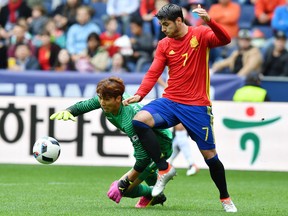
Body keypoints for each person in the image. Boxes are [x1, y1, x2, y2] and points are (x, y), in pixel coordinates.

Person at [123, 3, 237, 213]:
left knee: (210, 156)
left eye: (166, 24)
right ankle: (164, 168)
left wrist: (210, 21)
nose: (163, 29)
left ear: (179, 20)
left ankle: (225, 197)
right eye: (160, 25)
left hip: (196, 106)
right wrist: (141, 93)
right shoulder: (164, 44)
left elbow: (225, 39)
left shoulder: (201, 34)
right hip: (171, 101)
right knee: (139, 120)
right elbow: (154, 72)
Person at [50, 77, 173, 208]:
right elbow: (85, 105)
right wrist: (69, 111)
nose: (102, 103)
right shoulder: (106, 100)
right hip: (146, 143)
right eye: (100, 98)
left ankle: (154, 194)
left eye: (106, 99)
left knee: (125, 188)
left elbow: (143, 159)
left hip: (160, 147)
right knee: (144, 170)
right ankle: (154, 192)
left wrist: (124, 183)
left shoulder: (130, 120)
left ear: (118, 99)